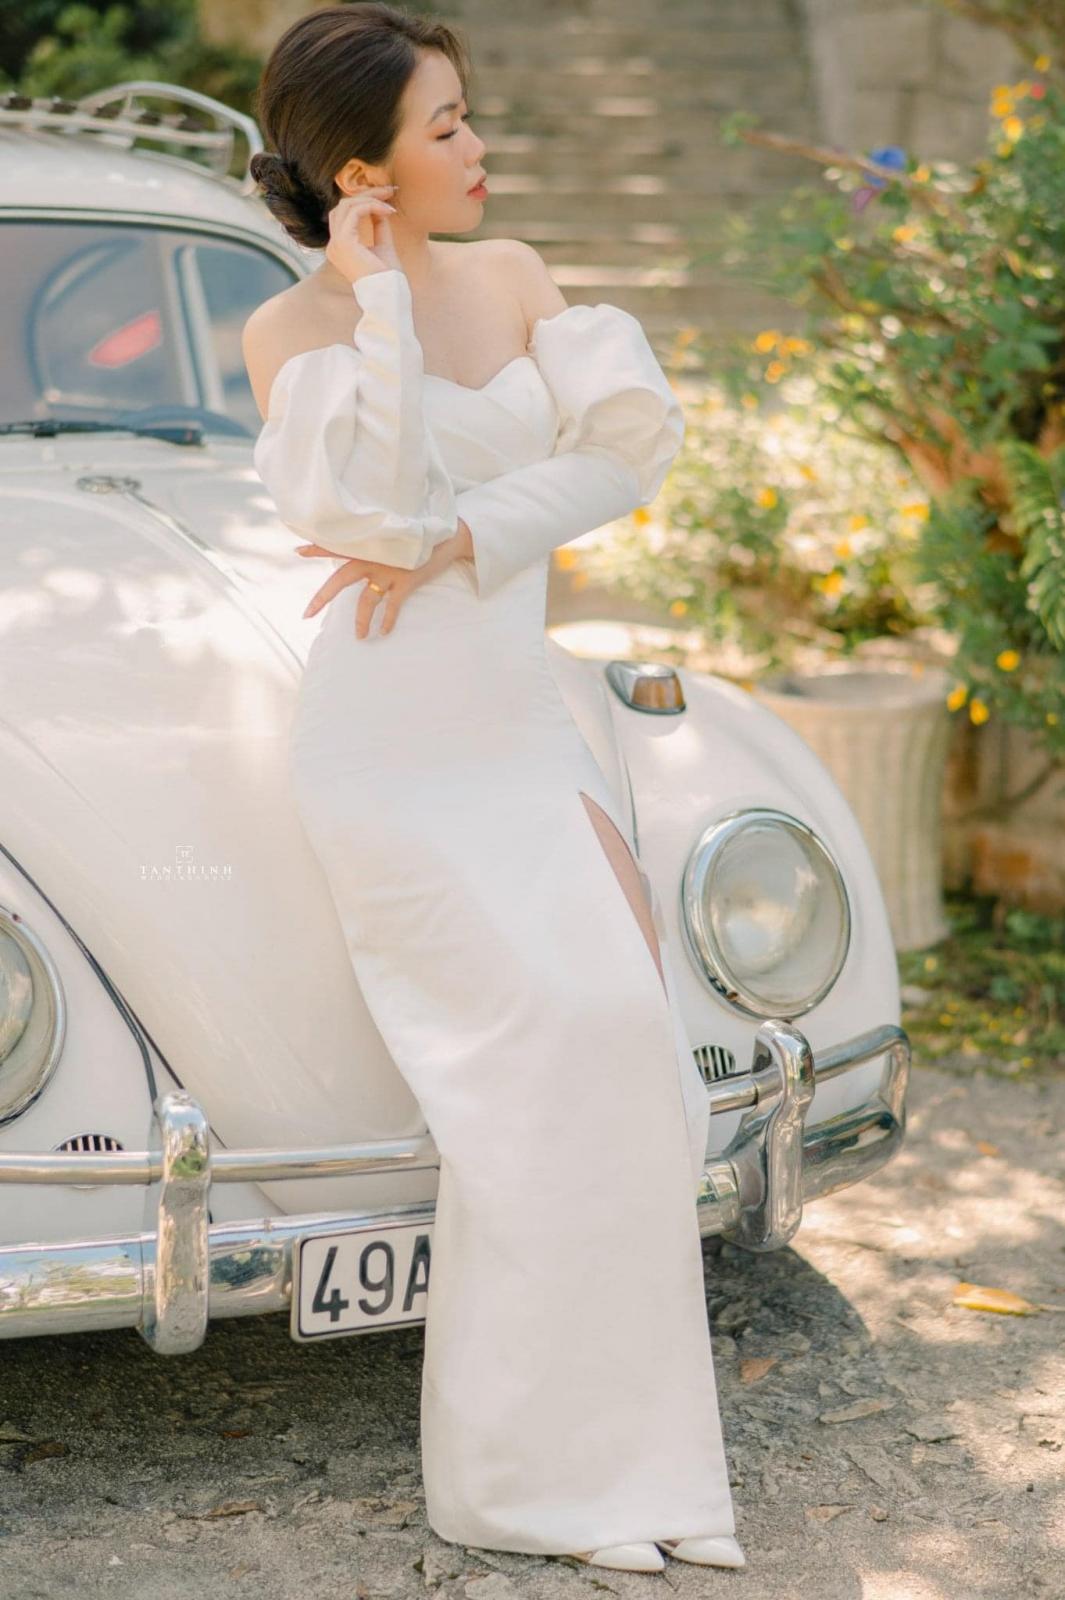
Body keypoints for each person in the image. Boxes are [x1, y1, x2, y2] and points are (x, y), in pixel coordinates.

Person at [242, 2, 745, 1574]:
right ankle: (525, 1489)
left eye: (470, 114)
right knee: (520, 1090)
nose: (479, 147)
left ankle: (644, 1478)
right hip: (386, 750)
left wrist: (474, 534)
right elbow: (371, 503)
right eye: (445, 124)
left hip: (518, 723)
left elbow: (625, 448)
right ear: (358, 171)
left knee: (619, 1041)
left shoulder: (519, 276)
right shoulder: (292, 336)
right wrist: (377, 301)